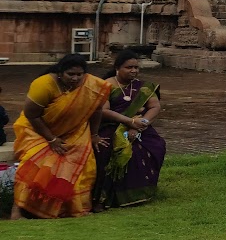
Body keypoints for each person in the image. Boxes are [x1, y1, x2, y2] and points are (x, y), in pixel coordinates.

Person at [10, 54, 145, 220]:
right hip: (37, 130)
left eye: (79, 75)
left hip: (75, 131)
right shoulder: (43, 84)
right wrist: (52, 140)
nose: (75, 78)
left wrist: (94, 135)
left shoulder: (91, 84)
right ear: (60, 72)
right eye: (70, 74)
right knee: (36, 160)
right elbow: (32, 115)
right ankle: (18, 210)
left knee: (83, 164)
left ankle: (63, 209)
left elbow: (96, 110)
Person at [94, 48, 167, 210]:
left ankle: (139, 193)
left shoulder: (145, 88)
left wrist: (142, 124)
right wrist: (129, 122)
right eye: (129, 67)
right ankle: (103, 198)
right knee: (106, 150)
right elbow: (104, 111)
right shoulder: (106, 86)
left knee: (155, 146)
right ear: (117, 68)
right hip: (112, 126)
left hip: (140, 126)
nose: (134, 71)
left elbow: (155, 107)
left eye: (136, 67)